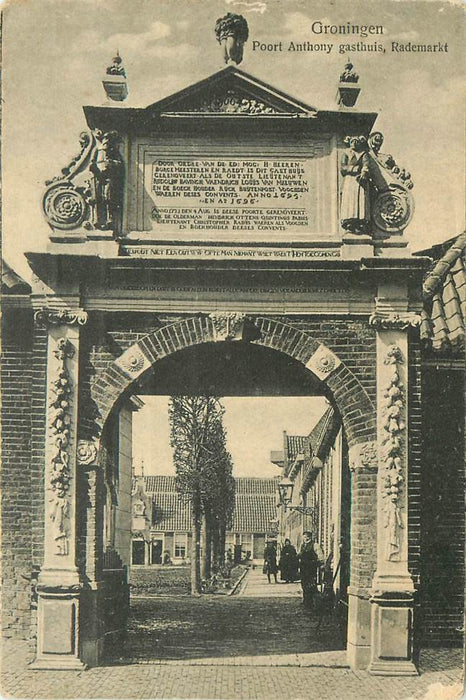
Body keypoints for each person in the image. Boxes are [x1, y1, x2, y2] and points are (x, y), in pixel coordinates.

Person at [299, 531, 324, 610]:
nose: (305, 538)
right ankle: (306, 601)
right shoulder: (303, 545)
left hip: (311, 568)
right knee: (304, 584)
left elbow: (320, 556)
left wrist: (320, 563)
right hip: (303, 568)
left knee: (311, 584)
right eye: (304, 537)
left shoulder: (315, 545)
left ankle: (311, 603)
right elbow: (301, 554)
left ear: (310, 537)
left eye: (307, 537)